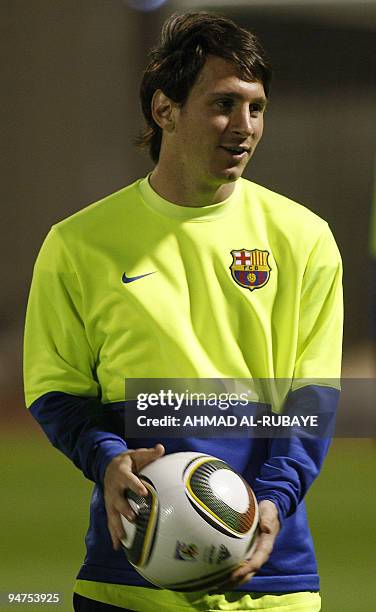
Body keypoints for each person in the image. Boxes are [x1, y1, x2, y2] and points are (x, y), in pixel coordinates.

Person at [24, 11, 343, 612]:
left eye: (257, 107)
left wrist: (271, 500)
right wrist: (108, 457)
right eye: (224, 103)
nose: (244, 126)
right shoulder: (78, 243)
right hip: (127, 577)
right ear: (164, 110)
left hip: (272, 579)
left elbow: (312, 393)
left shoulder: (304, 237)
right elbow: (56, 390)